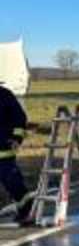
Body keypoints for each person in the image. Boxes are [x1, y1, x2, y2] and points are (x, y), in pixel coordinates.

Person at [0, 82, 33, 223]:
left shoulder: (5, 95)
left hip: (3, 151)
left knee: (13, 183)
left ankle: (27, 210)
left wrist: (16, 139)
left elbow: (19, 118)